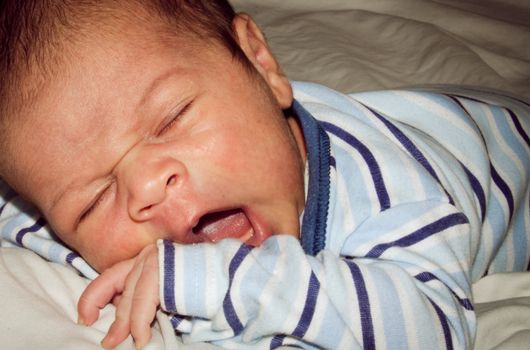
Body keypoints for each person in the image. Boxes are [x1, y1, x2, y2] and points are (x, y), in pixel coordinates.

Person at [0, 0, 529, 349]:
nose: (143, 187)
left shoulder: (392, 192)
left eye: (172, 117)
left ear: (262, 64)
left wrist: (229, 283)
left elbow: (430, 329)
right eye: (92, 202)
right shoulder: (62, 214)